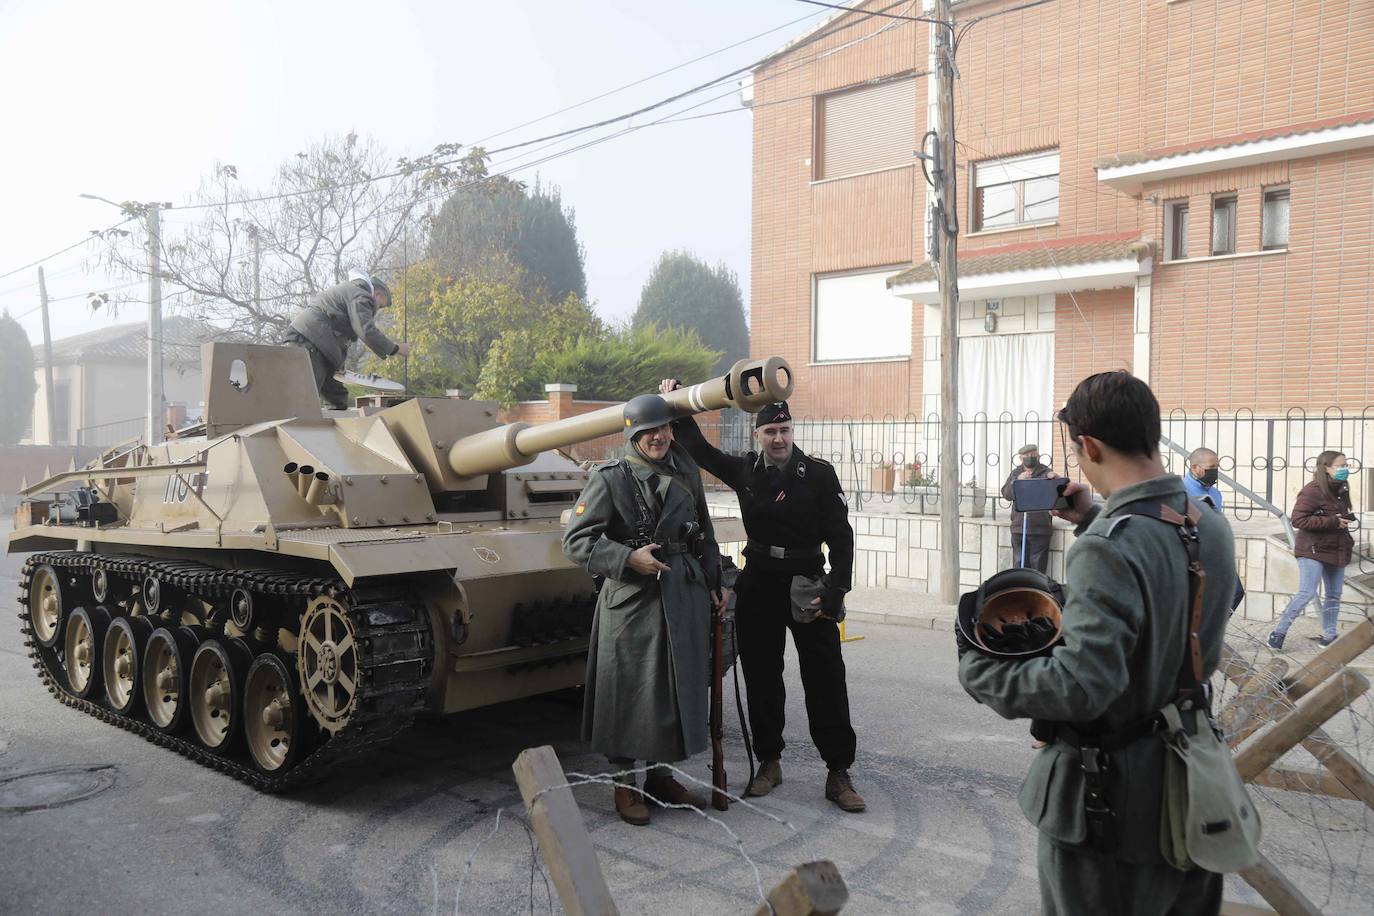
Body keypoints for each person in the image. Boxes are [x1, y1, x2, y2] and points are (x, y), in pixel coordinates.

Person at [959, 371, 1238, 915]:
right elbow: (1173, 601)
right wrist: (1092, 516)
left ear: (1087, 445)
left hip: (1110, 801)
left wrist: (978, 669)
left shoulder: (1109, 545)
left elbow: (1081, 686)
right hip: (1194, 783)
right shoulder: (1208, 522)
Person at [659, 380, 865, 813]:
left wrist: (835, 591)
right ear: (758, 436)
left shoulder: (819, 474)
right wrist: (677, 401)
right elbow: (700, 449)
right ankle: (769, 762)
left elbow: (842, 539)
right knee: (761, 676)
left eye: (784, 430)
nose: (778, 438)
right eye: (769, 432)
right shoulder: (745, 472)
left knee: (825, 677)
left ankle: (838, 771)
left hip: (807, 582)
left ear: (793, 432)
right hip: (760, 582)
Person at [562, 393, 727, 826]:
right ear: (633, 433)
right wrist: (627, 559)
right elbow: (577, 541)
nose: (659, 437)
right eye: (649, 431)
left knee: (672, 691)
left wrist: (715, 582)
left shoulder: (686, 467)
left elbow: (704, 533)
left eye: (665, 429)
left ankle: (659, 776)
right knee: (628, 692)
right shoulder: (611, 477)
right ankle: (624, 782)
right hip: (634, 600)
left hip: (683, 592)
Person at [1266, 451, 1354, 650]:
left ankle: (1329, 634)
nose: (1345, 469)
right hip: (1312, 549)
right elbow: (1298, 519)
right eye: (1340, 465)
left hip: (1336, 547)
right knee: (1306, 592)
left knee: (1334, 594)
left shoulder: (1341, 488)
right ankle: (1278, 633)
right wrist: (1332, 521)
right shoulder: (1312, 491)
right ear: (1326, 468)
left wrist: (1344, 520)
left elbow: (1339, 513)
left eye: (1346, 465)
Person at [283, 275, 410, 409]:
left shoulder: (351, 291)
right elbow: (366, 331)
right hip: (310, 341)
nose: (377, 309)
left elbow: (341, 336)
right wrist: (395, 348)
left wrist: (339, 368)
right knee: (305, 398)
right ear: (377, 294)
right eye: (381, 305)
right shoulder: (361, 295)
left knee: (338, 399)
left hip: (315, 343)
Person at [1000, 443, 1058, 573]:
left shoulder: (1045, 472)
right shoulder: (1016, 473)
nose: (1030, 457)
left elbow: (1056, 490)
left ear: (1038, 456)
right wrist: (1017, 481)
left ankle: (1037, 591)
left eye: (1033, 454)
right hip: (1019, 528)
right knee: (1019, 565)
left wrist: (1052, 479)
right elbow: (1006, 494)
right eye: (1027, 455)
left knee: (1038, 568)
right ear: (1021, 458)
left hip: (1040, 528)